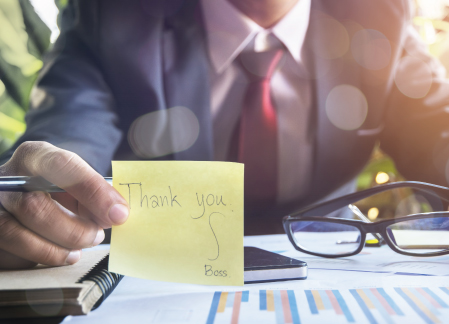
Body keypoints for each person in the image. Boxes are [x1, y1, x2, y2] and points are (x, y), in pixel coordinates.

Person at [1, 0, 449, 269]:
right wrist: (36, 193)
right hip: (160, 273)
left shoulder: (376, 13)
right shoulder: (113, 14)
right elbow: (66, 142)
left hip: (335, 263)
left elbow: (437, 133)